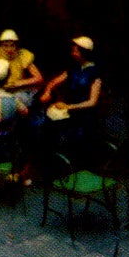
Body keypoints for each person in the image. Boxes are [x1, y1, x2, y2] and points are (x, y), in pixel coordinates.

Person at [39, 35, 102, 164]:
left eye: (76, 51)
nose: (73, 53)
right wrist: (47, 91)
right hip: (69, 106)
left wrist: (69, 107)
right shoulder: (73, 68)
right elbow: (54, 81)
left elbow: (92, 102)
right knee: (43, 120)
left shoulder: (95, 73)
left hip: (84, 112)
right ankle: (48, 156)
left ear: (84, 53)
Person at [0, 29, 43, 108]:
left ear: (16, 45)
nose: (9, 49)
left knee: (20, 103)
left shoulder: (23, 55)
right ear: (1, 45)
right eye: (5, 45)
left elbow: (38, 78)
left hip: (16, 90)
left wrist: (20, 83)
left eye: (12, 45)